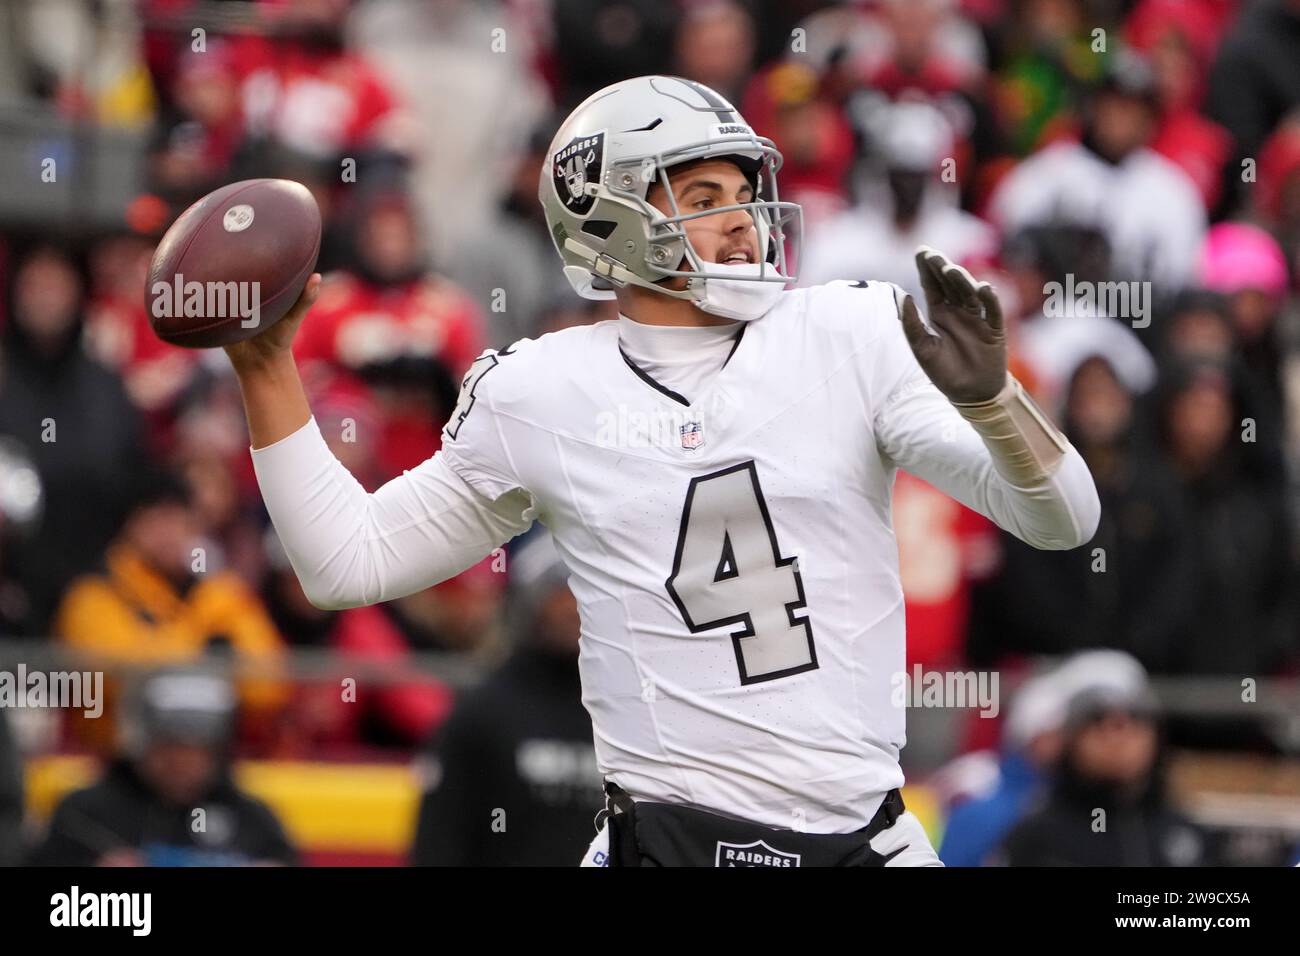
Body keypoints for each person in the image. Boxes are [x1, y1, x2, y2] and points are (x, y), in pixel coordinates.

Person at [226, 76, 1100, 867]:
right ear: (609, 217)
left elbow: (1066, 519)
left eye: (747, 191)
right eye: (705, 194)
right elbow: (346, 562)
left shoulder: (849, 334)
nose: (743, 217)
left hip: (862, 833)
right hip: (664, 840)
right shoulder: (544, 390)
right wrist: (267, 369)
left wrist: (996, 403)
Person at [411, 530, 601, 866]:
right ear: (531, 602)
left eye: (588, 594)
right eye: (561, 592)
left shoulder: (630, 713)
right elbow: (440, 839)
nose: (574, 608)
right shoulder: (482, 713)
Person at [30, 671, 297, 866]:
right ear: (142, 743)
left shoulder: (251, 819)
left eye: (198, 749)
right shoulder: (86, 815)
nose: (183, 762)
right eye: (171, 746)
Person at [996, 651, 1207, 867]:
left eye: (1133, 719)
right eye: (1098, 721)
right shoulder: (1035, 837)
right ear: (1071, 739)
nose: (1118, 738)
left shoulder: (1186, 836)